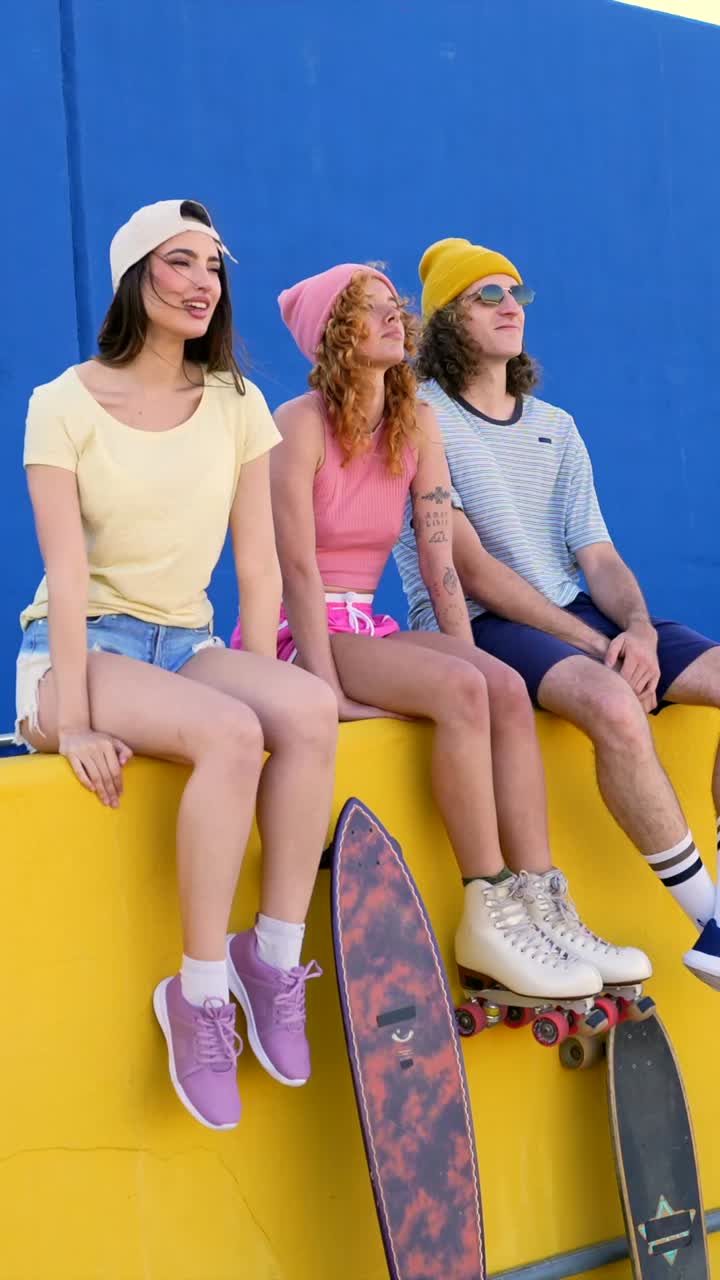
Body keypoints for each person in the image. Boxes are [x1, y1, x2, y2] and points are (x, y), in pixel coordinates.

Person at [231, 261, 650, 1001]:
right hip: (307, 632)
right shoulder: (292, 426)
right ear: (333, 333)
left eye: (397, 306)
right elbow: (293, 570)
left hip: (371, 623)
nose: (396, 319)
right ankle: (486, 908)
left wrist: (471, 652)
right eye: (372, 309)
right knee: (461, 689)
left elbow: (439, 564)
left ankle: (542, 904)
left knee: (501, 686)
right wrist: (325, 690)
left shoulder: (414, 421)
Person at [14, 199, 339, 1131]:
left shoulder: (236, 403)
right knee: (232, 736)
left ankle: (270, 959)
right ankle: (198, 996)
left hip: (184, 646)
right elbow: (67, 576)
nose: (203, 283)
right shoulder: (63, 404)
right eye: (179, 263)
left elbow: (258, 565)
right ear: (135, 279)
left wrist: (257, 672)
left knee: (305, 710)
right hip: (77, 650)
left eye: (214, 266)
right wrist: (72, 720)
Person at [393, 235, 720, 989]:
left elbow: (597, 556)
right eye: (489, 295)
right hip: (484, 623)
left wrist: (636, 630)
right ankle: (710, 917)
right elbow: (473, 570)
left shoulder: (556, 426)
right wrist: (594, 643)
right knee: (612, 699)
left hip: (574, 612)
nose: (512, 307)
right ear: (446, 318)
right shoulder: (421, 418)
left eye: (517, 294)